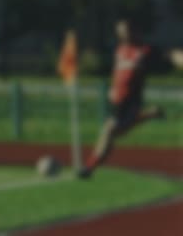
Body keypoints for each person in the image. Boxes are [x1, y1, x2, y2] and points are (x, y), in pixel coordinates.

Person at [78, 19, 183, 179]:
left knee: (110, 130)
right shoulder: (119, 50)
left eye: (126, 30)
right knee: (115, 132)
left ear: (136, 31)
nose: (123, 34)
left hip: (131, 102)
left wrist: (179, 58)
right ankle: (147, 115)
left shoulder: (144, 51)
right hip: (116, 102)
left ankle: (89, 168)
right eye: (120, 31)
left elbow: (170, 55)